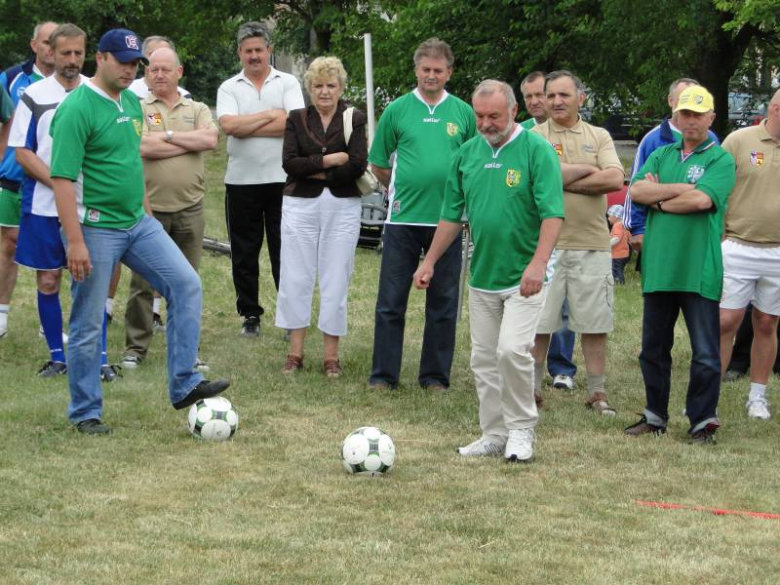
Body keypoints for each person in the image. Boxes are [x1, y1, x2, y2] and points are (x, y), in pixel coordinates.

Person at [49, 28, 229, 435]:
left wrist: (146, 216)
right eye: (123, 61)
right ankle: (85, 411)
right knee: (88, 320)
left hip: (137, 222)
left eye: (135, 64)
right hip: (94, 229)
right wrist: (74, 240)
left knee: (186, 284)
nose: (130, 70)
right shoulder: (77, 108)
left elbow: (132, 163)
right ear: (101, 58)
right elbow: (61, 179)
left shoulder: (131, 102)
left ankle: (184, 383)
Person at [413, 79, 563, 461]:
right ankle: (493, 433)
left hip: (524, 278)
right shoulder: (465, 155)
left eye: (494, 116)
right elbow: (451, 216)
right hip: (482, 277)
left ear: (514, 112)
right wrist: (429, 261)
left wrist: (538, 263)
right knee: (483, 359)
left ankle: (521, 431)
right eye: (480, 116)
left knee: (512, 351)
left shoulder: (536, 151)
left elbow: (552, 214)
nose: (485, 124)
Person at [624, 85, 735, 443]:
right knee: (653, 349)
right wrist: (679, 192)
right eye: (685, 113)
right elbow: (637, 192)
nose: (690, 121)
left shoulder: (720, 159)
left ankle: (702, 422)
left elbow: (704, 200)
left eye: (698, 114)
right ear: (676, 115)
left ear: (711, 119)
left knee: (705, 352)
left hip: (699, 268)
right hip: (659, 266)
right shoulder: (661, 153)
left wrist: (661, 197)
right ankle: (655, 416)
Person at [9, 24, 119, 381]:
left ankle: (99, 358)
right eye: (65, 53)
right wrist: (59, 185)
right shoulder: (33, 95)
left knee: (94, 283)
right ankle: (58, 356)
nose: (72, 61)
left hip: (91, 206)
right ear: (50, 54)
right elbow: (22, 151)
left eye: (78, 53)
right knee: (48, 281)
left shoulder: (96, 92)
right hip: (43, 205)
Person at [368, 37, 475, 392]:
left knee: (444, 303)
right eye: (425, 69)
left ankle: (434, 377)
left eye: (438, 70)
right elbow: (380, 164)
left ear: (449, 73)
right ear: (416, 70)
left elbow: (473, 162)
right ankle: (384, 375)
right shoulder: (397, 110)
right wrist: (403, 189)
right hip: (401, 220)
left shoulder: (463, 112)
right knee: (391, 302)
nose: (431, 75)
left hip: (448, 222)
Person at [531, 70, 625, 415]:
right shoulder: (533, 136)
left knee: (595, 322)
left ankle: (597, 392)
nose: (556, 101)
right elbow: (535, 180)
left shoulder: (598, 135)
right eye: (550, 95)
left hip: (593, 244)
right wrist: (586, 170)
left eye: (564, 95)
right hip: (545, 246)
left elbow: (615, 177)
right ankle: (532, 389)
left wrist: (560, 176)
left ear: (580, 98)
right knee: (538, 322)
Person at [121, 46, 218, 372]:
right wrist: (184, 141)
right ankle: (135, 348)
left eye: (165, 69)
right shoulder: (136, 107)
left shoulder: (198, 107)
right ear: (146, 75)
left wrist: (168, 135)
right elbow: (141, 146)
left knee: (187, 283)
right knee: (142, 283)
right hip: (148, 212)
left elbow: (209, 141)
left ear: (179, 72)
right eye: (153, 70)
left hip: (190, 209)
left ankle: (187, 351)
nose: (159, 75)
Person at [276, 56, 367, 376]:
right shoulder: (296, 118)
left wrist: (314, 166)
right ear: (309, 89)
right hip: (300, 205)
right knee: (295, 277)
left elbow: (357, 164)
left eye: (331, 85)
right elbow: (290, 164)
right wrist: (331, 161)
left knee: (335, 278)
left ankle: (331, 356)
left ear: (341, 87)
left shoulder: (354, 117)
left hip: (342, 206)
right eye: (318, 85)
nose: (325, 92)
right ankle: (295, 353)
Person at [217, 21, 305, 337]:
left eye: (259, 50)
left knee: (286, 250)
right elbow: (229, 127)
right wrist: (272, 115)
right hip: (241, 181)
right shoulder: (229, 87)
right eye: (248, 51)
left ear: (269, 50)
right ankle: (250, 315)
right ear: (240, 53)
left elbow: (295, 124)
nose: (254, 56)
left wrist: (248, 124)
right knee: (244, 252)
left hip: (284, 180)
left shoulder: (288, 82)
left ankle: (289, 315)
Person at [718, 88, 780, 420]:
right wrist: (721, 235)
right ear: (773, 108)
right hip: (739, 245)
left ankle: (758, 396)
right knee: (725, 321)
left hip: (778, 251)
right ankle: (707, 396)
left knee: (768, 323)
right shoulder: (739, 141)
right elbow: (719, 188)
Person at [520, 69, 577, 396]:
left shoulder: (572, 130)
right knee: (536, 301)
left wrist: (562, 175)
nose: (535, 101)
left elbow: (604, 174)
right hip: (533, 231)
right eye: (528, 97)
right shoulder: (524, 133)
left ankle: (562, 366)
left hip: (571, 231)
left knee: (565, 305)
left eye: (539, 94)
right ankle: (529, 365)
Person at [0, 21, 57, 338]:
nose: (51, 48)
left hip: (53, 183)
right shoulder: (11, 78)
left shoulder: (76, 84)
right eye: (46, 42)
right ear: (34, 45)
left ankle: (46, 323)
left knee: (50, 254)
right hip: (13, 179)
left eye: (56, 42)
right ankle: (2, 314)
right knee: (8, 245)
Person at [622, 78, 719, 259]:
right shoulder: (653, 140)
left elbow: (711, 192)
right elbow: (636, 188)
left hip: (698, 227)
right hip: (659, 227)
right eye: (683, 98)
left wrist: (658, 192)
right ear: (670, 101)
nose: (689, 105)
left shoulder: (712, 139)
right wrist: (638, 228)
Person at [128, 35, 191, 100]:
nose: (158, 57)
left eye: (165, 54)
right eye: (152, 54)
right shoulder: (128, 91)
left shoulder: (184, 97)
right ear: (142, 60)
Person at [607, 204, 630, 284]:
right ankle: (619, 281)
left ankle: (620, 282)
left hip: (618, 254)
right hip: (625, 254)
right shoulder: (625, 226)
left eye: (609, 216)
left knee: (616, 269)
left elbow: (617, 238)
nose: (608, 218)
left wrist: (607, 244)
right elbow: (629, 238)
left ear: (616, 216)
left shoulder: (617, 225)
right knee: (619, 269)